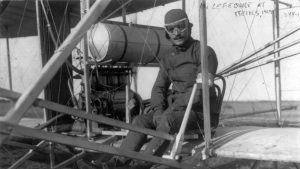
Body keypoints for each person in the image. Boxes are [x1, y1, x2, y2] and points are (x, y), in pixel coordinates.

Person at [77, 8, 219, 169]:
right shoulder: (167, 58)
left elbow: (200, 93)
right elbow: (158, 88)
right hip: (174, 112)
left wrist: (169, 111)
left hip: (200, 114)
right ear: (166, 32)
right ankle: (115, 164)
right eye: (171, 29)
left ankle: (139, 166)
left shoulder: (204, 53)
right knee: (140, 121)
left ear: (190, 26)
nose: (177, 32)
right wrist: (159, 111)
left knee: (168, 120)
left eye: (181, 26)